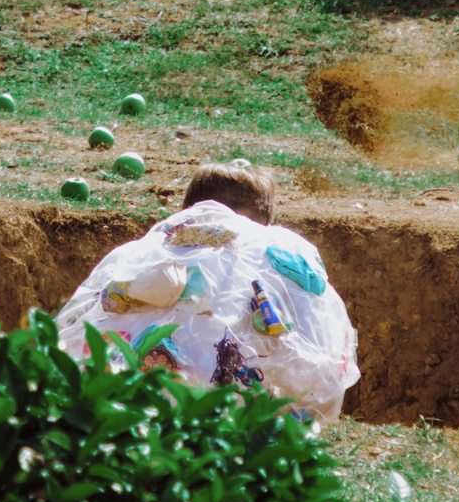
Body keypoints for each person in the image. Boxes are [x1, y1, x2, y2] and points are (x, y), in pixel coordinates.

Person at [55, 161, 359, 419]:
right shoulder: (282, 248)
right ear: (263, 220)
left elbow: (74, 324)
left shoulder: (136, 251)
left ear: (189, 208)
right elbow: (323, 368)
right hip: (227, 416)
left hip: (111, 402)